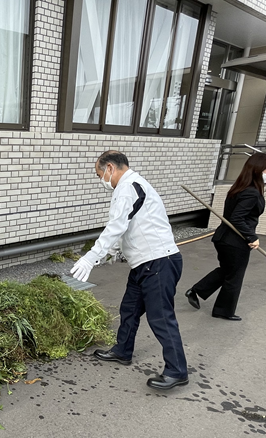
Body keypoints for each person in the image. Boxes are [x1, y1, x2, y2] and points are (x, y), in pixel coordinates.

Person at [71, 150, 188, 390]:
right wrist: (112, 252)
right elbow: (127, 226)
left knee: (161, 318)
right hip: (144, 263)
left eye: (99, 174)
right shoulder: (134, 185)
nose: (100, 179)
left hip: (158, 263)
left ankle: (177, 371)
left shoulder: (127, 188)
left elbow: (115, 226)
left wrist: (91, 257)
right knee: (129, 309)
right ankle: (123, 351)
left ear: (110, 168)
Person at [185, 153, 266, 321]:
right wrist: (251, 237)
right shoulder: (251, 193)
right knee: (234, 276)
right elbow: (236, 219)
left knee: (227, 271)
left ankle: (197, 290)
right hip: (235, 241)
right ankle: (223, 311)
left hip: (224, 239)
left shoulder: (239, 188)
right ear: (258, 170)